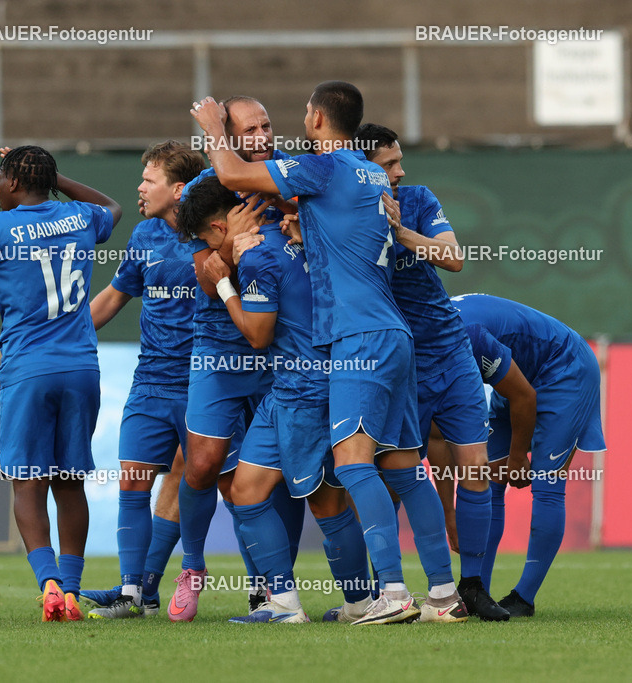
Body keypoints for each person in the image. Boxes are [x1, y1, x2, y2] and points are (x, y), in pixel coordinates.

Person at [190, 81, 465, 625]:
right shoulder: (365, 170)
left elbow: (231, 175)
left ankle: (391, 594)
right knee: (406, 469)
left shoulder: (324, 166)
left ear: (316, 118)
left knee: (352, 463)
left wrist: (215, 131)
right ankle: (442, 594)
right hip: (393, 333)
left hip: (356, 338)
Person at [180, 176, 373, 624]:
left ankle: (361, 603)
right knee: (246, 493)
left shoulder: (257, 254)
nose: (208, 250)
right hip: (291, 386)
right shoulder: (293, 233)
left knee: (326, 503)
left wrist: (225, 285)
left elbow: (258, 334)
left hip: (305, 389)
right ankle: (284, 605)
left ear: (220, 225)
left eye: (208, 239)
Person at [354, 123, 509, 621]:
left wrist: (400, 230)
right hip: (399, 363)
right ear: (362, 170)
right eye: (388, 165)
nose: (400, 172)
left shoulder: (417, 199)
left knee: (476, 469)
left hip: (451, 350)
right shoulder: (344, 214)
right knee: (396, 475)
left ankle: (473, 587)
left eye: (400, 161)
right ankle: (387, 591)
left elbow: (454, 258)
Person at [0, 146, 122, 622]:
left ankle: (50, 583)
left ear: (12, 183)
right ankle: (73, 592)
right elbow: (114, 208)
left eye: (0, 179)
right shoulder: (77, 216)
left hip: (29, 369)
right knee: (69, 482)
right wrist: (59, 179)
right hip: (81, 367)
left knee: (27, 482)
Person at [169, 98, 306, 623]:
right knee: (202, 464)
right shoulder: (212, 186)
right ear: (229, 136)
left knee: (282, 472)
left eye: (268, 125)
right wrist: (228, 248)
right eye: (250, 129)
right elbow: (203, 270)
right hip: (219, 347)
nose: (263, 136)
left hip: (276, 349)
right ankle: (194, 566)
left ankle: (272, 590)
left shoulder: (290, 181)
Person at [81, 140, 205, 618]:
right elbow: (114, 296)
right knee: (133, 481)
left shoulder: (216, 232)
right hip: (150, 377)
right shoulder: (144, 236)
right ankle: (135, 592)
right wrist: (63, 339)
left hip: (205, 380)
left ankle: (257, 589)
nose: (139, 188)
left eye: (148, 180)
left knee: (196, 479)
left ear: (178, 189)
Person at [448, 293, 606, 617]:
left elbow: (524, 396)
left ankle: (524, 597)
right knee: (487, 481)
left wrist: (518, 457)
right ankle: (476, 593)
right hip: (517, 372)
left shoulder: (462, 335)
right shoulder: (427, 326)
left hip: (566, 369)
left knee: (546, 485)